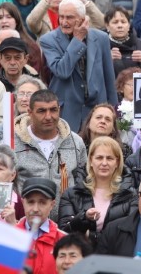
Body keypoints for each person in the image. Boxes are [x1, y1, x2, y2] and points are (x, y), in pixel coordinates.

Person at [40, 0, 118, 131]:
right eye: (61, 17)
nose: (64, 22)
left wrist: (114, 111)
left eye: (69, 17)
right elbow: (62, 71)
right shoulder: (48, 40)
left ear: (82, 19)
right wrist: (77, 39)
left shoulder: (101, 38)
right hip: (67, 112)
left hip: (97, 110)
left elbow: (109, 79)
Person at [14, 89, 87, 221]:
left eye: (53, 110)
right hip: (25, 225)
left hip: (66, 225)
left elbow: (83, 181)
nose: (48, 116)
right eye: (41, 111)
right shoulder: (12, 143)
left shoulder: (76, 142)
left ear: (59, 109)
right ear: (29, 113)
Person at [58, 136, 135, 247]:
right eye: (99, 158)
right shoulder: (71, 195)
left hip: (116, 259)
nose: (104, 163)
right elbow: (64, 233)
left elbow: (130, 234)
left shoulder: (130, 195)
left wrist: (90, 236)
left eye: (109, 158)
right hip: (82, 258)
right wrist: (83, 218)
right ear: (91, 161)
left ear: (117, 162)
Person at [17, 177, 67, 274]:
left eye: (42, 202)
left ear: (52, 205)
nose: (35, 209)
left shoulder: (64, 241)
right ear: (23, 202)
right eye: (31, 202)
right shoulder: (8, 238)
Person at [104, 6, 141, 78]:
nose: (120, 26)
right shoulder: (101, 45)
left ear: (129, 25)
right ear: (107, 26)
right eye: (115, 22)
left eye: (123, 22)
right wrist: (107, 60)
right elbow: (93, 72)